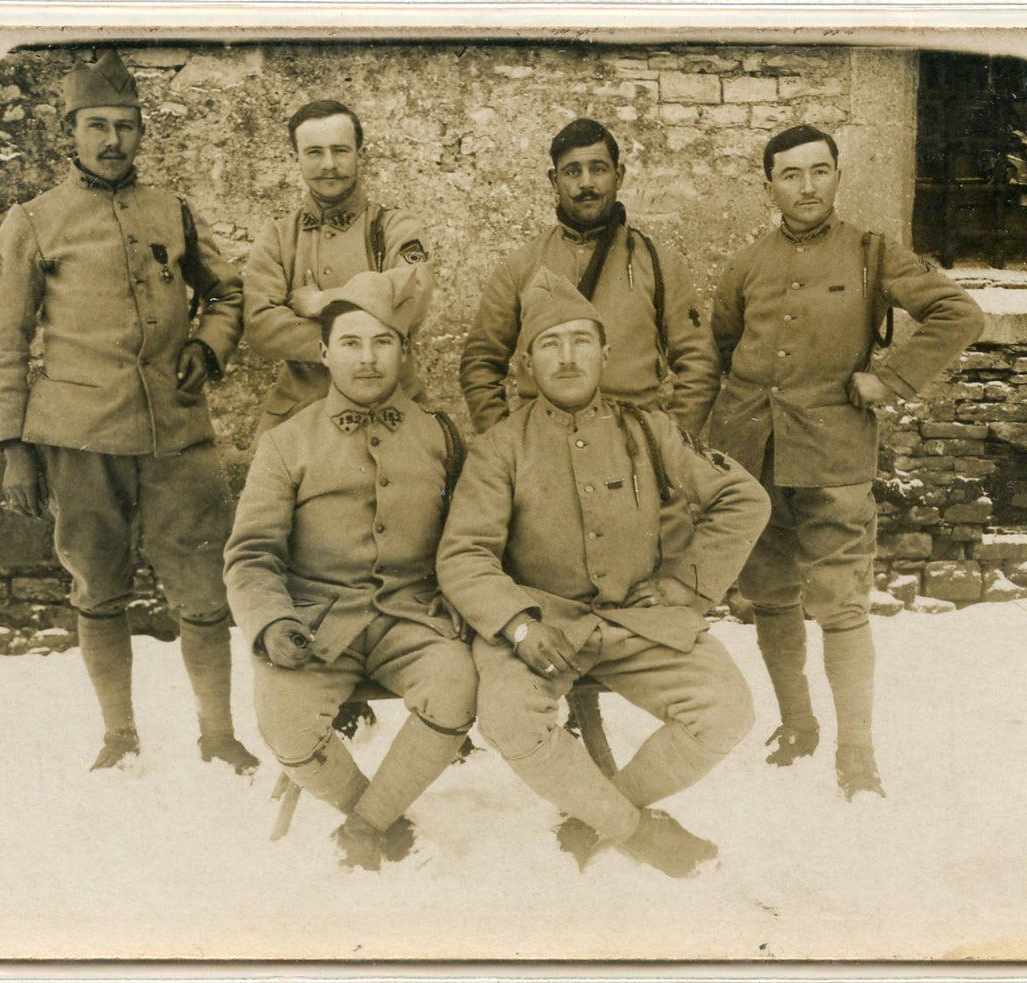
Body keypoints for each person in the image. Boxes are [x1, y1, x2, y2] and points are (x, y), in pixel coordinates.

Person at [0, 50, 259, 774]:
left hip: (178, 437)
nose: (112, 141)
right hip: (80, 441)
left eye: (125, 126)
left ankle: (218, 732)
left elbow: (226, 293)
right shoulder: (34, 221)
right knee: (97, 588)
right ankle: (119, 734)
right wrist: (11, 445)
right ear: (68, 130)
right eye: (96, 125)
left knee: (201, 591)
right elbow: (1, 335)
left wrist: (209, 344)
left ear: (140, 132)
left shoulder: (173, 210)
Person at [438, 269, 767, 877]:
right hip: (543, 627)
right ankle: (636, 831)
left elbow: (744, 499)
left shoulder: (650, 428)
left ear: (605, 351)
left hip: (638, 620)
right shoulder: (500, 447)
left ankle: (599, 816)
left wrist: (685, 585)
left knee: (727, 712)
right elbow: (464, 555)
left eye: (580, 340)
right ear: (527, 364)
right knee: (510, 720)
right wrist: (516, 626)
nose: (567, 357)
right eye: (549, 344)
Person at [707, 124, 986, 800]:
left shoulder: (871, 254)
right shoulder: (745, 264)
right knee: (770, 596)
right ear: (767, 185)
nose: (806, 187)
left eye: (819, 171)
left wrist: (889, 379)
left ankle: (856, 754)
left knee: (840, 605)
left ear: (837, 176)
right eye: (790, 175)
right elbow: (716, 350)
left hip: (833, 459)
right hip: (754, 460)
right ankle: (795, 724)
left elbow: (957, 313)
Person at [224, 267, 476, 871]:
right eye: (351, 343)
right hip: (315, 623)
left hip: (413, 618)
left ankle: (364, 828)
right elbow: (250, 553)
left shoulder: (439, 435)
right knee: (282, 721)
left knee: (456, 686)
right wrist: (271, 623)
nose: (368, 359)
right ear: (323, 353)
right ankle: (378, 814)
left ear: (403, 350)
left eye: (383, 342)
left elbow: (473, 539)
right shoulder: (287, 441)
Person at [460, 117, 719, 435]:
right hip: (544, 444)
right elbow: (481, 362)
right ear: (554, 180)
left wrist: (670, 444)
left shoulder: (659, 263)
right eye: (572, 172)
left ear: (618, 175)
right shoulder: (520, 266)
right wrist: (505, 441)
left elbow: (699, 363)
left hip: (634, 442)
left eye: (598, 169)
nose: (586, 184)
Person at [243, 100, 434, 434]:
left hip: (391, 412)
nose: (329, 164)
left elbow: (410, 297)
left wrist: (324, 301)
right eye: (314, 152)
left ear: (360, 154)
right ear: (296, 158)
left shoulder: (395, 227)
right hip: (300, 414)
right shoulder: (278, 236)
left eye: (340, 150)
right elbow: (262, 326)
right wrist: (367, 330)